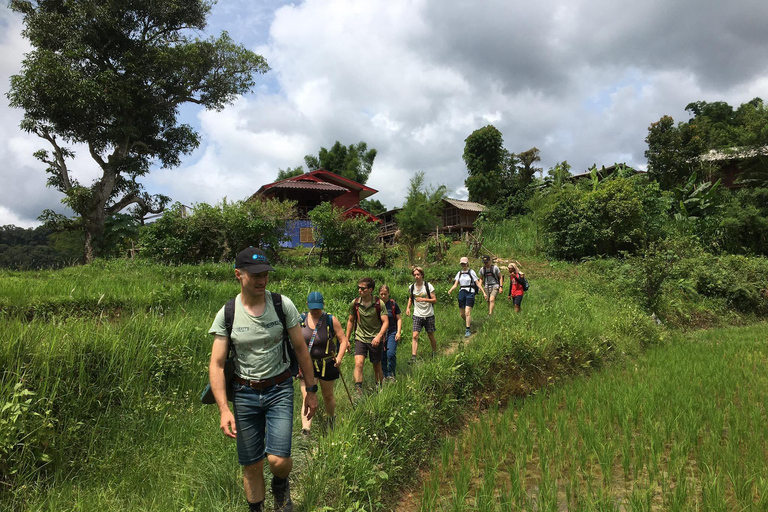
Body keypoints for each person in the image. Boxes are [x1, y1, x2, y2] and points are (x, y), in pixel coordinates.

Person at [208, 247, 318, 512]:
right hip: (244, 393)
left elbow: (301, 349)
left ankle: (280, 484)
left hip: (279, 388)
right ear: (238, 274)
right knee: (251, 464)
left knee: (278, 461)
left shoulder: (282, 305)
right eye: (255, 274)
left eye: (266, 274)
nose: (262, 280)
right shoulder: (228, 313)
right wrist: (224, 409)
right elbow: (217, 363)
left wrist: (311, 390)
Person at [298, 291, 349, 436]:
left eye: (318, 308)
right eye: (312, 308)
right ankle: (306, 429)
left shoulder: (330, 320)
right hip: (307, 364)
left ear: (323, 305)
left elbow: (343, 340)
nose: (315, 311)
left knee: (328, 396)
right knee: (307, 395)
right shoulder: (301, 320)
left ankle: (331, 418)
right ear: (307, 305)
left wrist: (339, 357)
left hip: (327, 363)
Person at [345, 277, 389, 397]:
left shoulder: (379, 304)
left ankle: (379, 387)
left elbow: (385, 322)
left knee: (376, 365)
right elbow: (350, 321)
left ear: (370, 289)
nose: (360, 290)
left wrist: (379, 336)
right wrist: (346, 339)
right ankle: (358, 391)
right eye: (358, 288)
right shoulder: (355, 303)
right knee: (359, 363)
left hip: (375, 338)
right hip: (360, 337)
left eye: (363, 288)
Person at [448, 257, 487, 337]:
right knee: (462, 314)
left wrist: (483, 292)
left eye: (464, 263)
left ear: (467, 263)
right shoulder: (459, 273)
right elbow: (456, 284)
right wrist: (451, 289)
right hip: (462, 292)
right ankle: (469, 322)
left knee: (467, 312)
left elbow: (477, 283)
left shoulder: (471, 272)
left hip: (470, 292)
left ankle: (468, 329)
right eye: (462, 263)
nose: (463, 265)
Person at [405, 266, 437, 362]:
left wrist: (423, 299)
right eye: (414, 275)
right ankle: (413, 357)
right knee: (415, 335)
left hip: (428, 315)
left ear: (422, 275)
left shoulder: (428, 286)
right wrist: (408, 308)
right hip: (417, 315)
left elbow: (434, 300)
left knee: (430, 335)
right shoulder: (412, 287)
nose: (416, 276)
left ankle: (434, 352)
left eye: (418, 274)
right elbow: (411, 298)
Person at [379, 284, 402, 382]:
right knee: (382, 355)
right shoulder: (377, 305)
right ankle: (384, 375)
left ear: (388, 294)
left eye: (385, 294)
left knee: (390, 354)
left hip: (392, 331)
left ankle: (392, 374)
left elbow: (399, 319)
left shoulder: (393, 305)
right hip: (380, 333)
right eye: (381, 294)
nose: (383, 296)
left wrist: (399, 332)